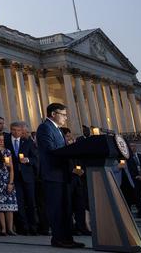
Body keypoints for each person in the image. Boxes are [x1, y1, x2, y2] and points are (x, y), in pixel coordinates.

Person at [37, 102, 84, 249]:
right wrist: (70, 149)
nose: (65, 118)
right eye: (63, 114)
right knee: (56, 209)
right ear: (53, 114)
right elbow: (50, 149)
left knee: (66, 208)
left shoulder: (58, 130)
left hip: (63, 174)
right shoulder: (45, 128)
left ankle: (68, 238)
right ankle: (58, 238)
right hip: (53, 174)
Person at [6, 121, 38, 235]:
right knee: (19, 202)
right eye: (14, 130)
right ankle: (23, 228)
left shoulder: (27, 142)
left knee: (31, 202)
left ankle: (33, 227)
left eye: (18, 130)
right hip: (14, 176)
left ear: (21, 131)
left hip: (27, 176)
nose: (16, 132)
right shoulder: (6, 140)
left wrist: (28, 160)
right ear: (10, 129)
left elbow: (35, 158)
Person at [0, 132, 18, 235]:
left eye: (3, 140)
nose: (1, 142)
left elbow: (12, 169)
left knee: (10, 206)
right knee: (0, 206)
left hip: (7, 180)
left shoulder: (7, 152)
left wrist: (11, 183)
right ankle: (3, 228)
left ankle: (10, 228)